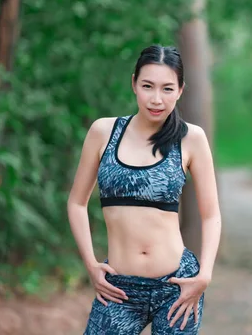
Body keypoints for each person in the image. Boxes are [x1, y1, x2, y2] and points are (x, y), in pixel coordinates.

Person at [67, 44, 221, 335]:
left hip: (177, 288)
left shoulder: (191, 139)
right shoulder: (103, 132)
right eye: (148, 86)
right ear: (134, 84)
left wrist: (204, 276)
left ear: (180, 90)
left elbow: (211, 214)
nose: (156, 99)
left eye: (167, 89)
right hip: (119, 289)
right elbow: (76, 203)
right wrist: (90, 263)